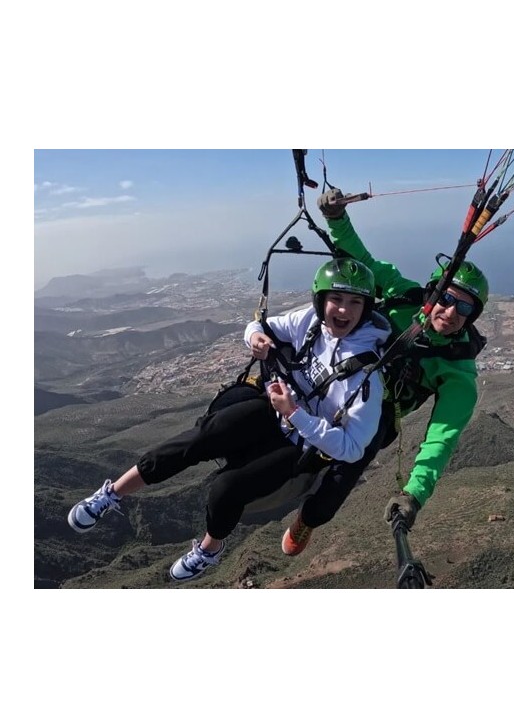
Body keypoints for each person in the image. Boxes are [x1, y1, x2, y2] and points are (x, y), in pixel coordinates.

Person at [67, 257, 390, 582]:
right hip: (272, 410)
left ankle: (210, 548)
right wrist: (255, 338)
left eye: (355, 302)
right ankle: (112, 493)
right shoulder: (309, 322)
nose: (344, 310)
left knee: (227, 488)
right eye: (336, 298)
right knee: (201, 436)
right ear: (320, 301)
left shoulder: (365, 375)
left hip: (302, 443)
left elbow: (352, 448)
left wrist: (296, 414)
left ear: (366, 308)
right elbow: (259, 326)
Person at [279, 187, 489, 556]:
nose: (451, 312)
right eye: (447, 298)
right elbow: (362, 261)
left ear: (473, 317)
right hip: (334, 375)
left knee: (342, 472)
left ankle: (309, 517)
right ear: (432, 293)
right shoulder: (403, 295)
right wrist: (336, 218)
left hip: (374, 417)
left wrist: (414, 495)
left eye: (465, 308)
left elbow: (441, 439)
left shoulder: (457, 370)